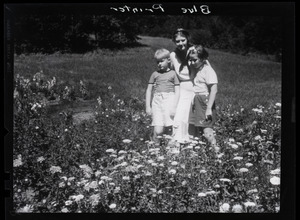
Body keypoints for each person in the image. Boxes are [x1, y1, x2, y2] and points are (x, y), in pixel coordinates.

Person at [187, 45, 219, 152]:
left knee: (207, 130)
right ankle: (204, 153)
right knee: (199, 130)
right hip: (197, 100)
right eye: (191, 60)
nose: (192, 62)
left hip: (205, 101)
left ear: (203, 59)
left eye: (194, 60)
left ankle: (216, 152)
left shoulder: (208, 70)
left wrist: (209, 108)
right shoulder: (198, 69)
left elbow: (214, 90)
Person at [146, 48, 180, 143]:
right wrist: (148, 106)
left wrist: (174, 107)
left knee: (169, 127)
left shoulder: (173, 74)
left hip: (169, 100)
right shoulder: (155, 74)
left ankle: (169, 150)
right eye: (157, 62)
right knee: (158, 130)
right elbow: (149, 90)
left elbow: (177, 91)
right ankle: (155, 149)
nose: (159, 64)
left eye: (161, 61)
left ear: (168, 60)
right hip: (157, 102)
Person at [170, 28, 195, 144]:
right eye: (177, 41)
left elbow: (207, 69)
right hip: (182, 89)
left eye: (183, 40)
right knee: (180, 118)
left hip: (196, 87)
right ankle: (178, 144)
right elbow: (170, 73)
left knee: (193, 118)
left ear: (187, 39)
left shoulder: (195, 51)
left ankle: (194, 144)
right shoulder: (173, 55)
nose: (180, 43)